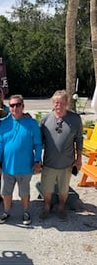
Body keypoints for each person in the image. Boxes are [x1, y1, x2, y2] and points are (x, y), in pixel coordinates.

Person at [0, 94, 42, 225]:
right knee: (6, 192)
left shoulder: (31, 123)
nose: (15, 108)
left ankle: (26, 212)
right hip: (8, 167)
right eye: (12, 105)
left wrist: (37, 161)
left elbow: (38, 144)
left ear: (23, 106)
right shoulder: (4, 123)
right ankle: (6, 211)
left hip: (25, 167)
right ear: (9, 107)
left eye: (17, 105)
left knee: (24, 192)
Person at [39, 89, 83, 220]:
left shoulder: (75, 119)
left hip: (67, 163)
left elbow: (79, 140)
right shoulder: (45, 119)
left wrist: (79, 158)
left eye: (62, 102)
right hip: (49, 163)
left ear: (67, 103)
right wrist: (37, 160)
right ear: (53, 103)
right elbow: (39, 142)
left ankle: (61, 207)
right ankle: (47, 207)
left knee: (64, 189)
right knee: (47, 188)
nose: (59, 105)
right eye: (56, 102)